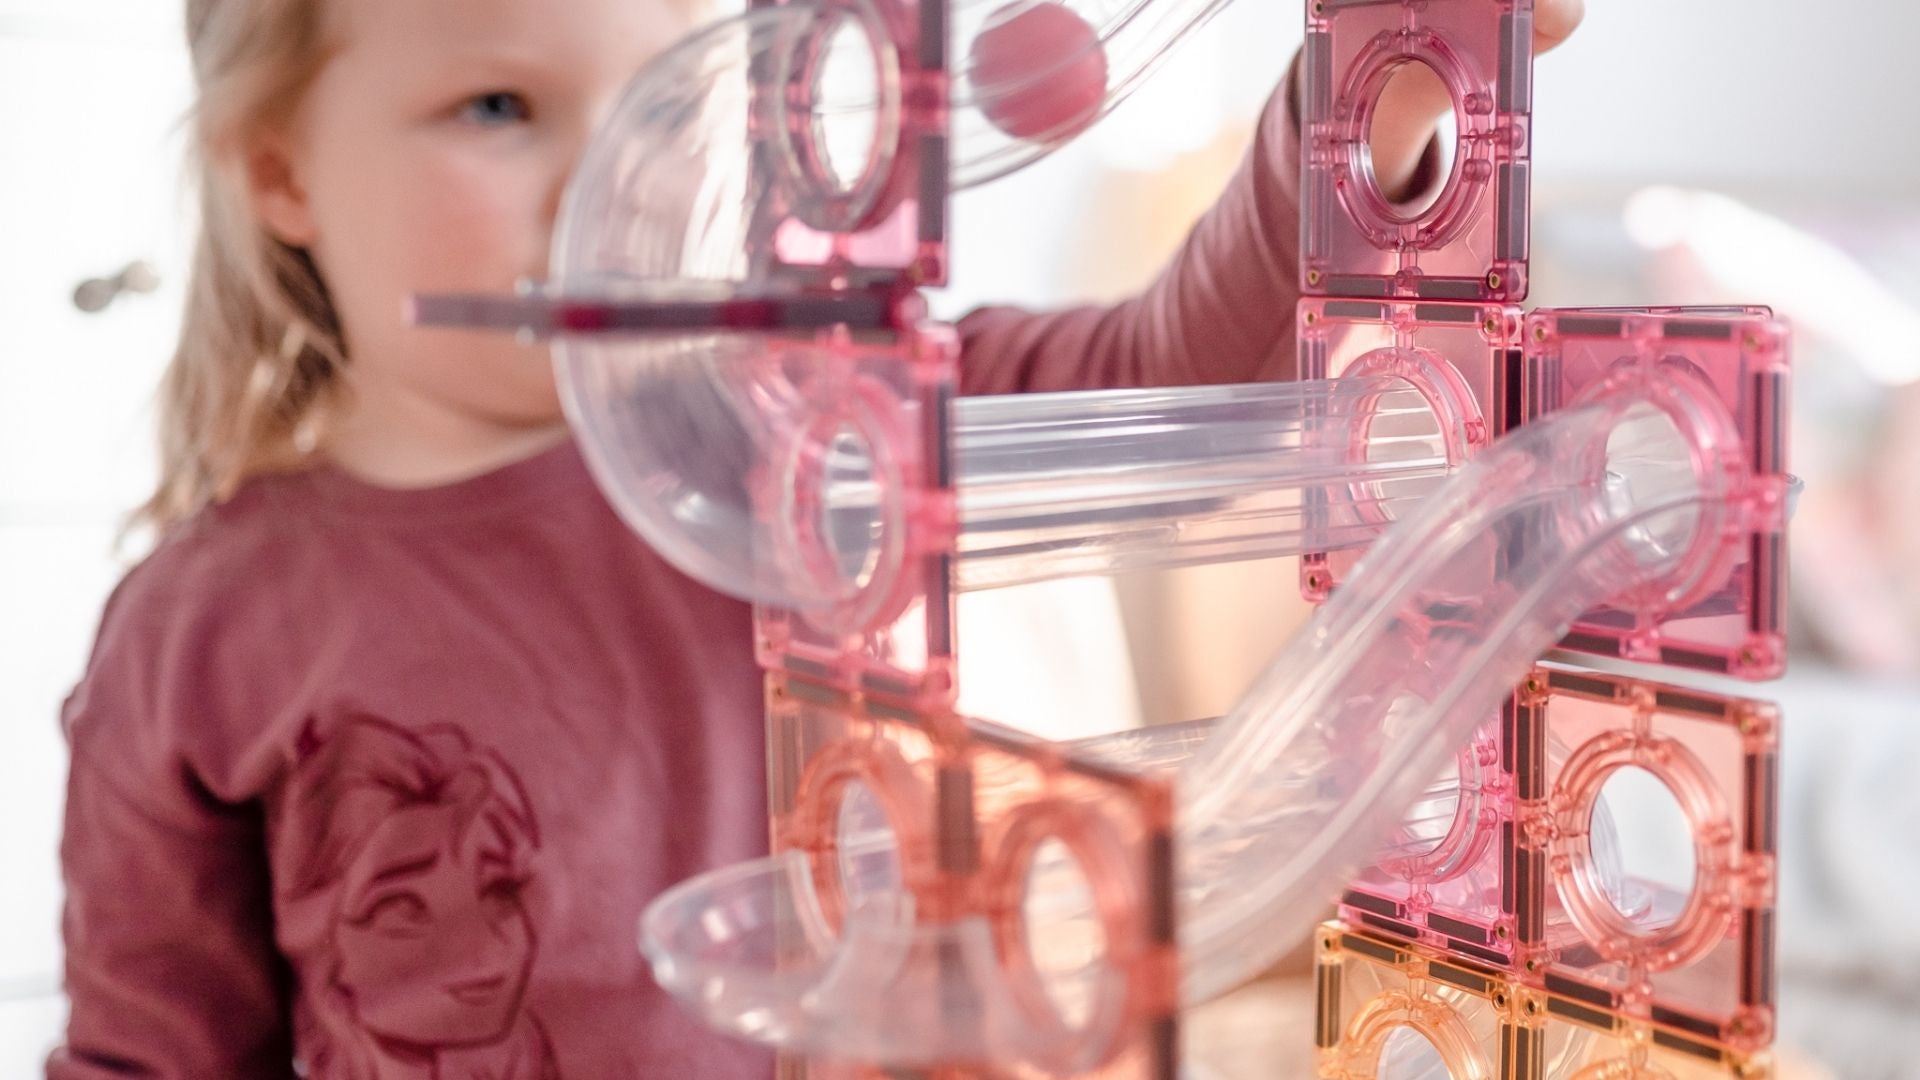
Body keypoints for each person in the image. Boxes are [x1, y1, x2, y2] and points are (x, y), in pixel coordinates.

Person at [49, 0, 1583, 1075]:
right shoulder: (203, 627)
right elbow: (151, 1049)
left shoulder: (825, 423)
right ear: (277, 168)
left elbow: (1168, 366)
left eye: (672, 110)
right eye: (500, 107)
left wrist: (1367, 101)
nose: (613, 187)